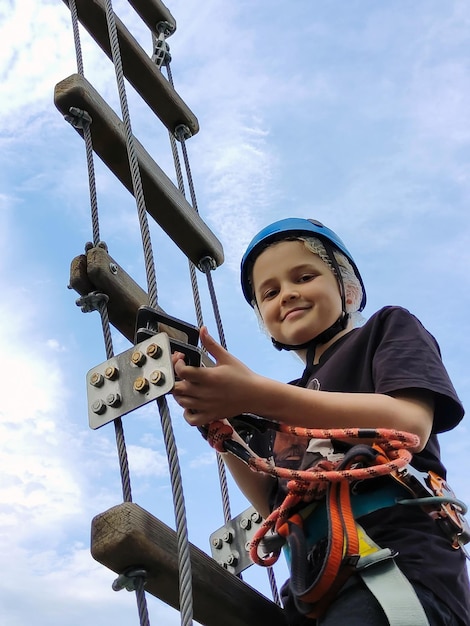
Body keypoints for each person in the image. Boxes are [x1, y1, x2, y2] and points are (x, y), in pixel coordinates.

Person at [172, 217, 470, 625]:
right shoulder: (283, 400)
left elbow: (411, 425)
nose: (288, 294)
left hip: (398, 562)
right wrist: (223, 423)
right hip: (311, 586)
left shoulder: (385, 329)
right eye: (270, 292)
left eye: (304, 276)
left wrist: (258, 395)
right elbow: (271, 501)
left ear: (346, 287)